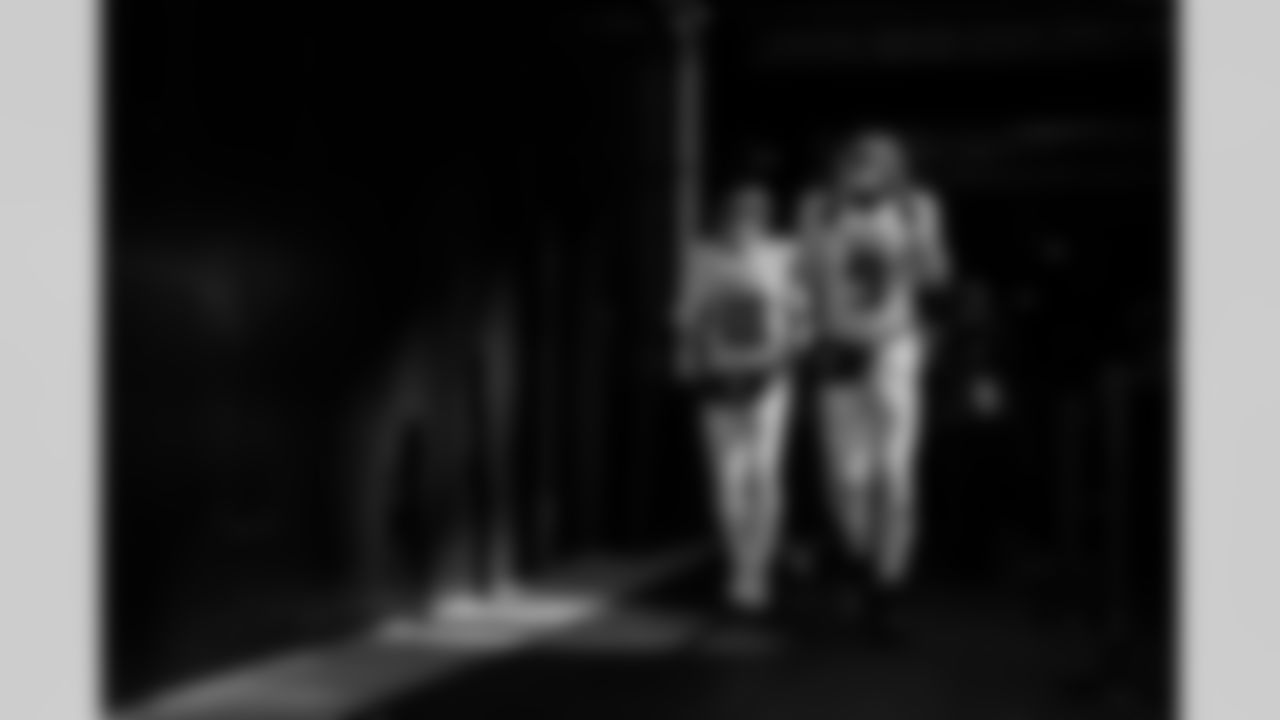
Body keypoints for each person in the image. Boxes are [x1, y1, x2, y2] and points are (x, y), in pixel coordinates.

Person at [801, 129, 952, 640]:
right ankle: (858, 559)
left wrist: (921, 236)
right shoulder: (818, 206)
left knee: (895, 474)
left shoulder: (918, 207)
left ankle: (889, 585)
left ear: (897, 166)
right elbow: (800, 276)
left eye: (880, 159)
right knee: (848, 475)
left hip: (894, 348)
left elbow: (936, 278)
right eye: (857, 157)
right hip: (840, 350)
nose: (867, 165)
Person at [673, 179, 811, 616]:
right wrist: (691, 364)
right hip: (719, 379)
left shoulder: (784, 256)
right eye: (735, 214)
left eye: (752, 215)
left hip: (768, 378)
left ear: (764, 220)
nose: (742, 222)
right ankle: (741, 568)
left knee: (764, 474)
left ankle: (754, 574)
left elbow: (803, 319)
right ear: (722, 217)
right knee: (728, 480)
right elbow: (687, 317)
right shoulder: (702, 257)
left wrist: (785, 358)